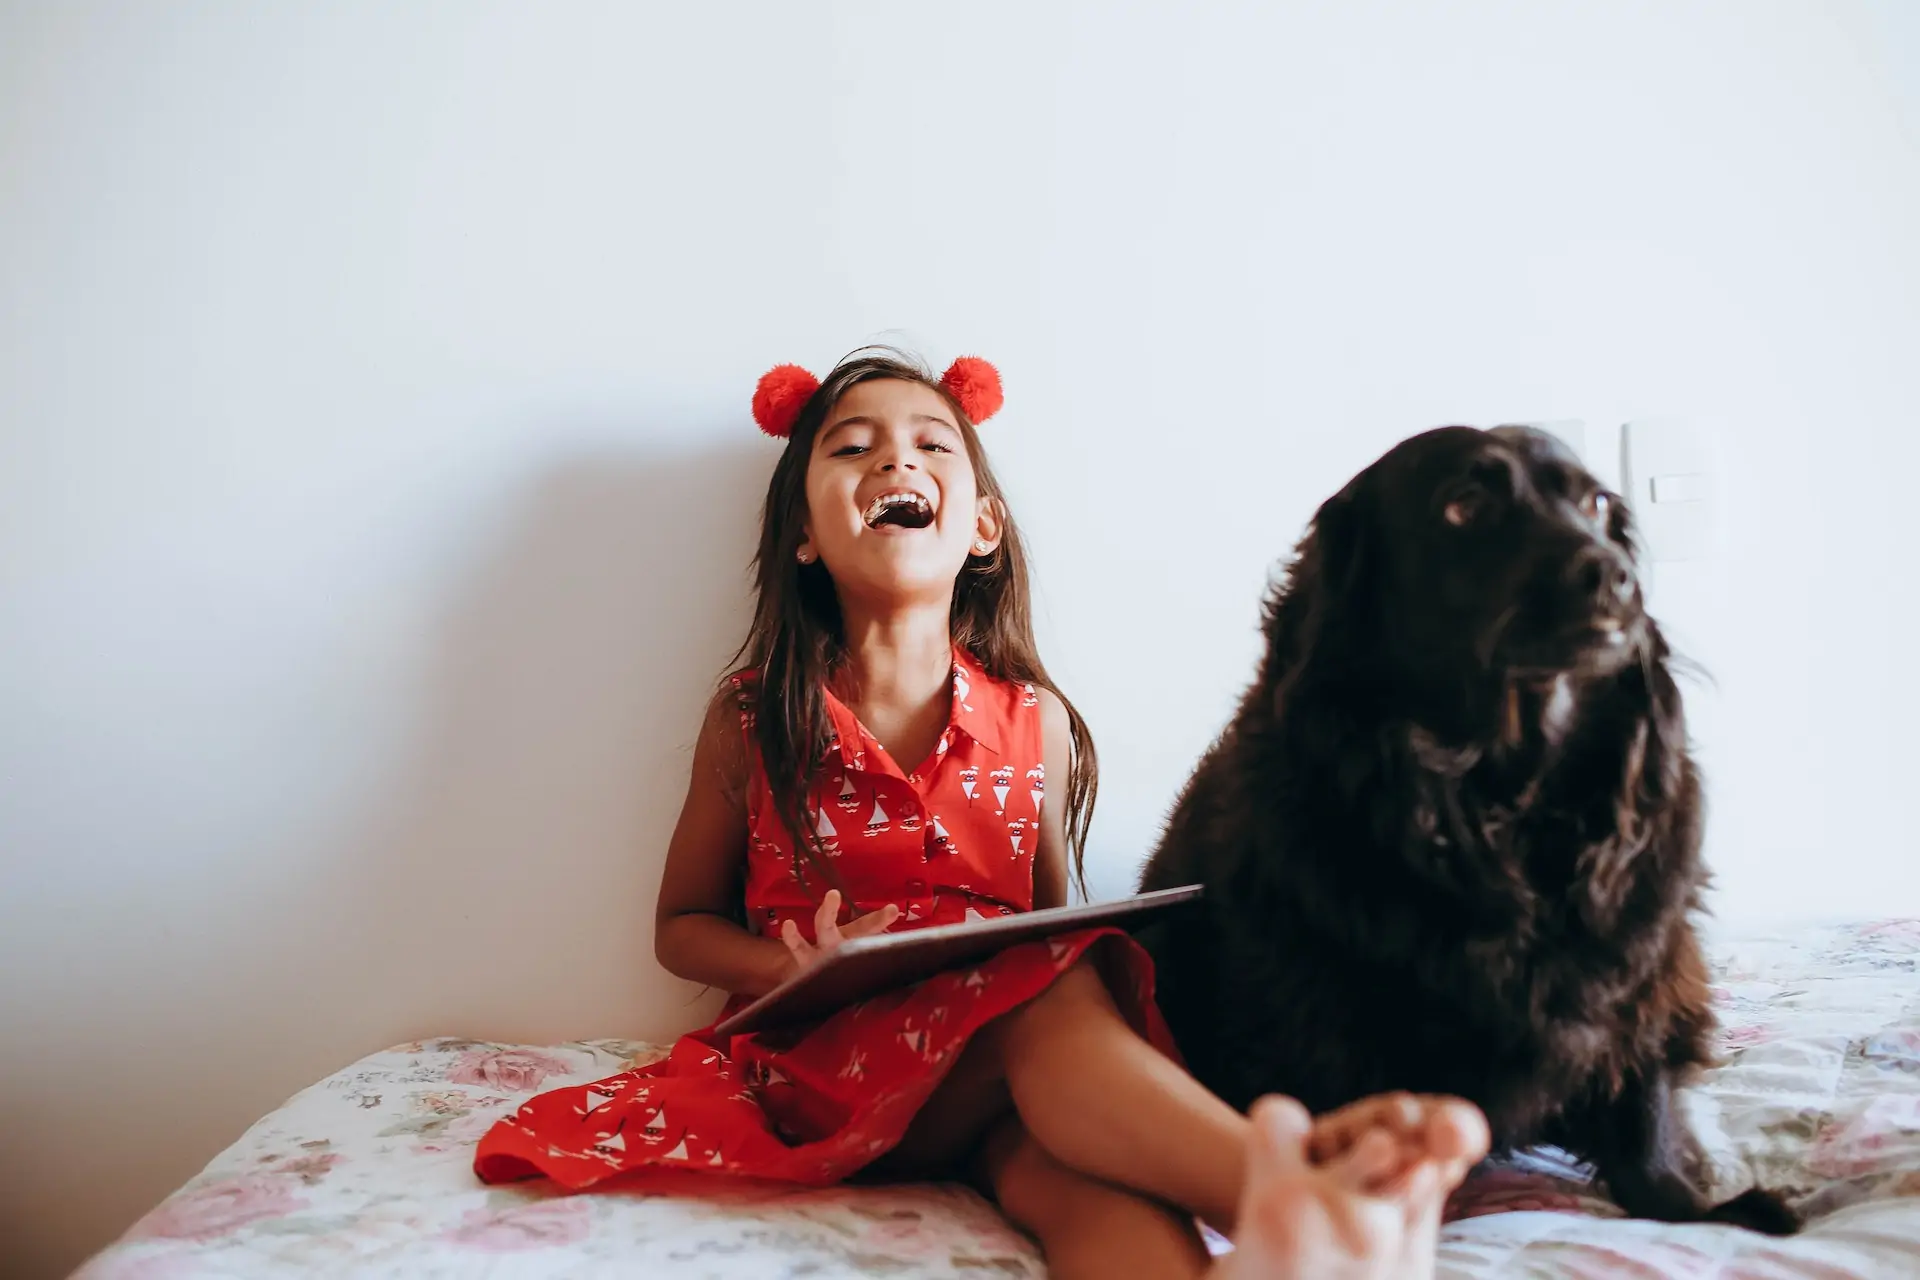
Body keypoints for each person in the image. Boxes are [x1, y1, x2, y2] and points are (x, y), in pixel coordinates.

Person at [473, 349, 1489, 1278]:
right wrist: (786, 964)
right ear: (802, 538)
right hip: (835, 1067)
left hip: (995, 1078)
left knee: (1079, 1165)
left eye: (927, 444)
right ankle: (1298, 1187)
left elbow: (1048, 926)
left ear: (984, 525)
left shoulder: (1031, 719)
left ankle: (1260, 1258)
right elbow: (678, 927)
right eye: (852, 446)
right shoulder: (753, 718)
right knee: (1038, 1003)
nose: (892, 462)